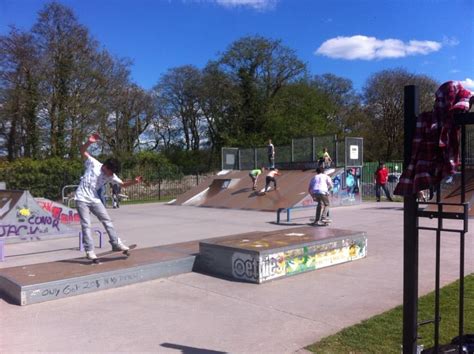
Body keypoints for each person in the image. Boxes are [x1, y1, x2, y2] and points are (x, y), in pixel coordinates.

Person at [75, 133, 142, 260]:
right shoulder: (94, 163)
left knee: (107, 220)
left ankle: (116, 243)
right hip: (81, 198)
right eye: (109, 172)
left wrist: (134, 181)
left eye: (111, 173)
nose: (109, 175)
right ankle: (89, 250)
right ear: (105, 166)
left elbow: (122, 184)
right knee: (86, 224)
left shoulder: (111, 175)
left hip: (94, 199)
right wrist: (89, 142)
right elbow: (82, 151)